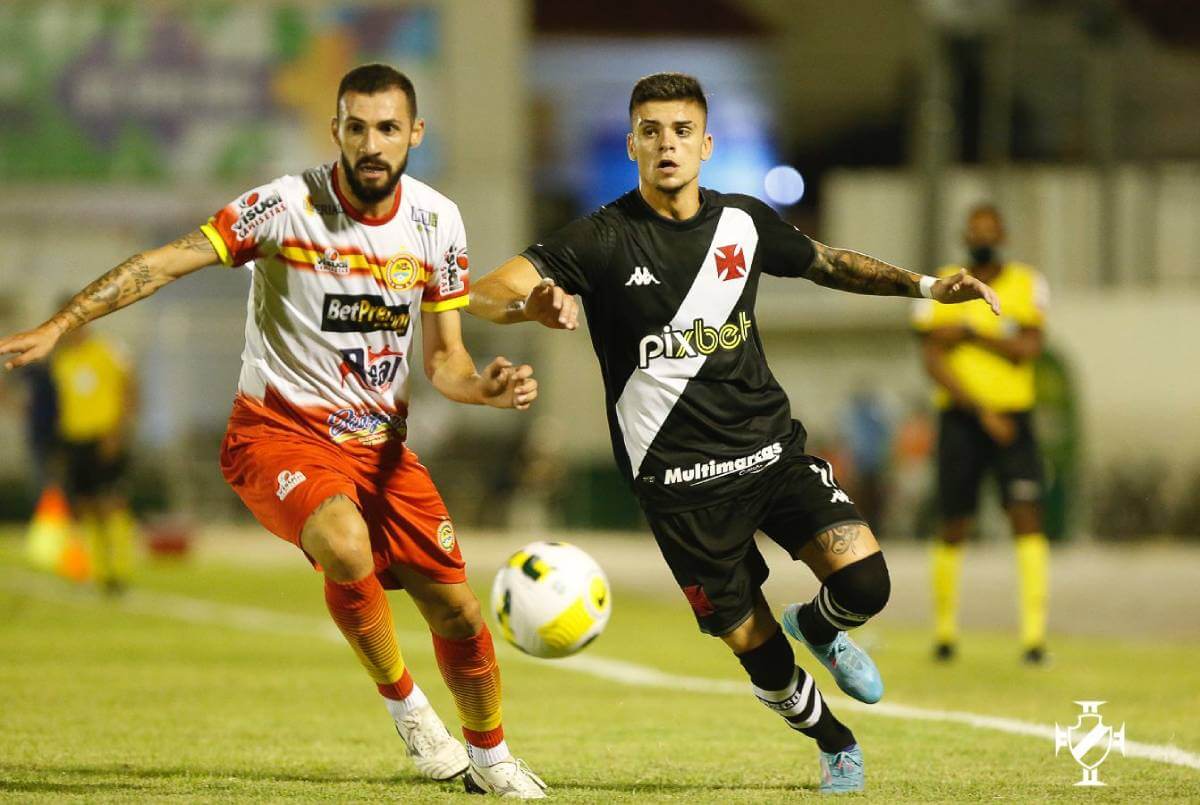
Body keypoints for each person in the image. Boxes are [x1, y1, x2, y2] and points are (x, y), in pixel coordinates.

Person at [0, 64, 547, 799]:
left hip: (380, 449)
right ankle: (411, 711)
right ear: (336, 131)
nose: (372, 143)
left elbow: (446, 359)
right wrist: (64, 323)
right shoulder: (285, 206)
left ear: (416, 133)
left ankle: (492, 755)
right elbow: (167, 262)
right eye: (357, 127)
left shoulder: (438, 220)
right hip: (277, 435)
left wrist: (483, 387)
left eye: (388, 128)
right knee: (344, 542)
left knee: (458, 608)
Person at [468, 72, 1000, 794]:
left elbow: (831, 264)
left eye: (682, 130)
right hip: (679, 485)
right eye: (651, 130)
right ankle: (834, 740)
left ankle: (821, 624)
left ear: (706, 144)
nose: (667, 144)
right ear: (631, 143)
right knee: (760, 655)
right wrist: (531, 303)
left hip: (769, 450)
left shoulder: (742, 224)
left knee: (866, 581)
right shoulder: (599, 238)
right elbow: (485, 290)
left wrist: (932, 288)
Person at [912, 204, 1050, 665]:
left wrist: (971, 333)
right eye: (975, 231)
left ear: (1003, 234)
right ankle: (945, 634)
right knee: (954, 521)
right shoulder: (944, 281)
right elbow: (931, 358)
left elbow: (1028, 347)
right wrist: (980, 408)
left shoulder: (1028, 283)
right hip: (962, 421)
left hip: (1016, 419)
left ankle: (1033, 638)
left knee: (1026, 516)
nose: (982, 237)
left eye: (990, 230)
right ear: (963, 236)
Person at [50, 320, 138, 594]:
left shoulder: (108, 350)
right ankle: (100, 572)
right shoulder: (62, 360)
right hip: (75, 439)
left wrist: (119, 429)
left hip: (104, 436)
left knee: (112, 503)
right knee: (86, 505)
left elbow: (130, 386)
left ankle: (121, 570)